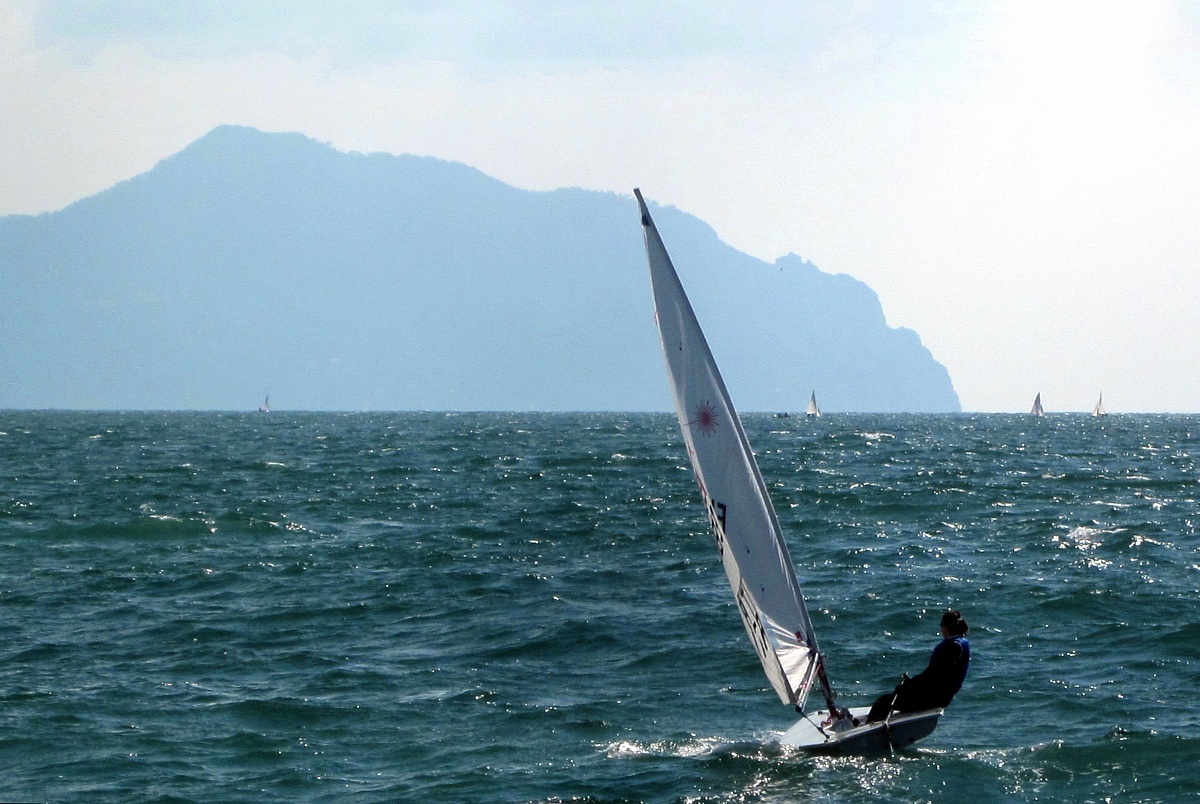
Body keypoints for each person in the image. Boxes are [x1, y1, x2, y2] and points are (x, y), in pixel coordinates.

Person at [867, 610, 970, 723]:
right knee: (895, 696)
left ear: (946, 627)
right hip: (939, 695)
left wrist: (911, 684)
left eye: (941, 625)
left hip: (934, 697)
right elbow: (935, 675)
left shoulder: (954, 646)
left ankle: (870, 729)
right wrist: (912, 683)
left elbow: (935, 675)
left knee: (883, 702)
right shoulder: (960, 642)